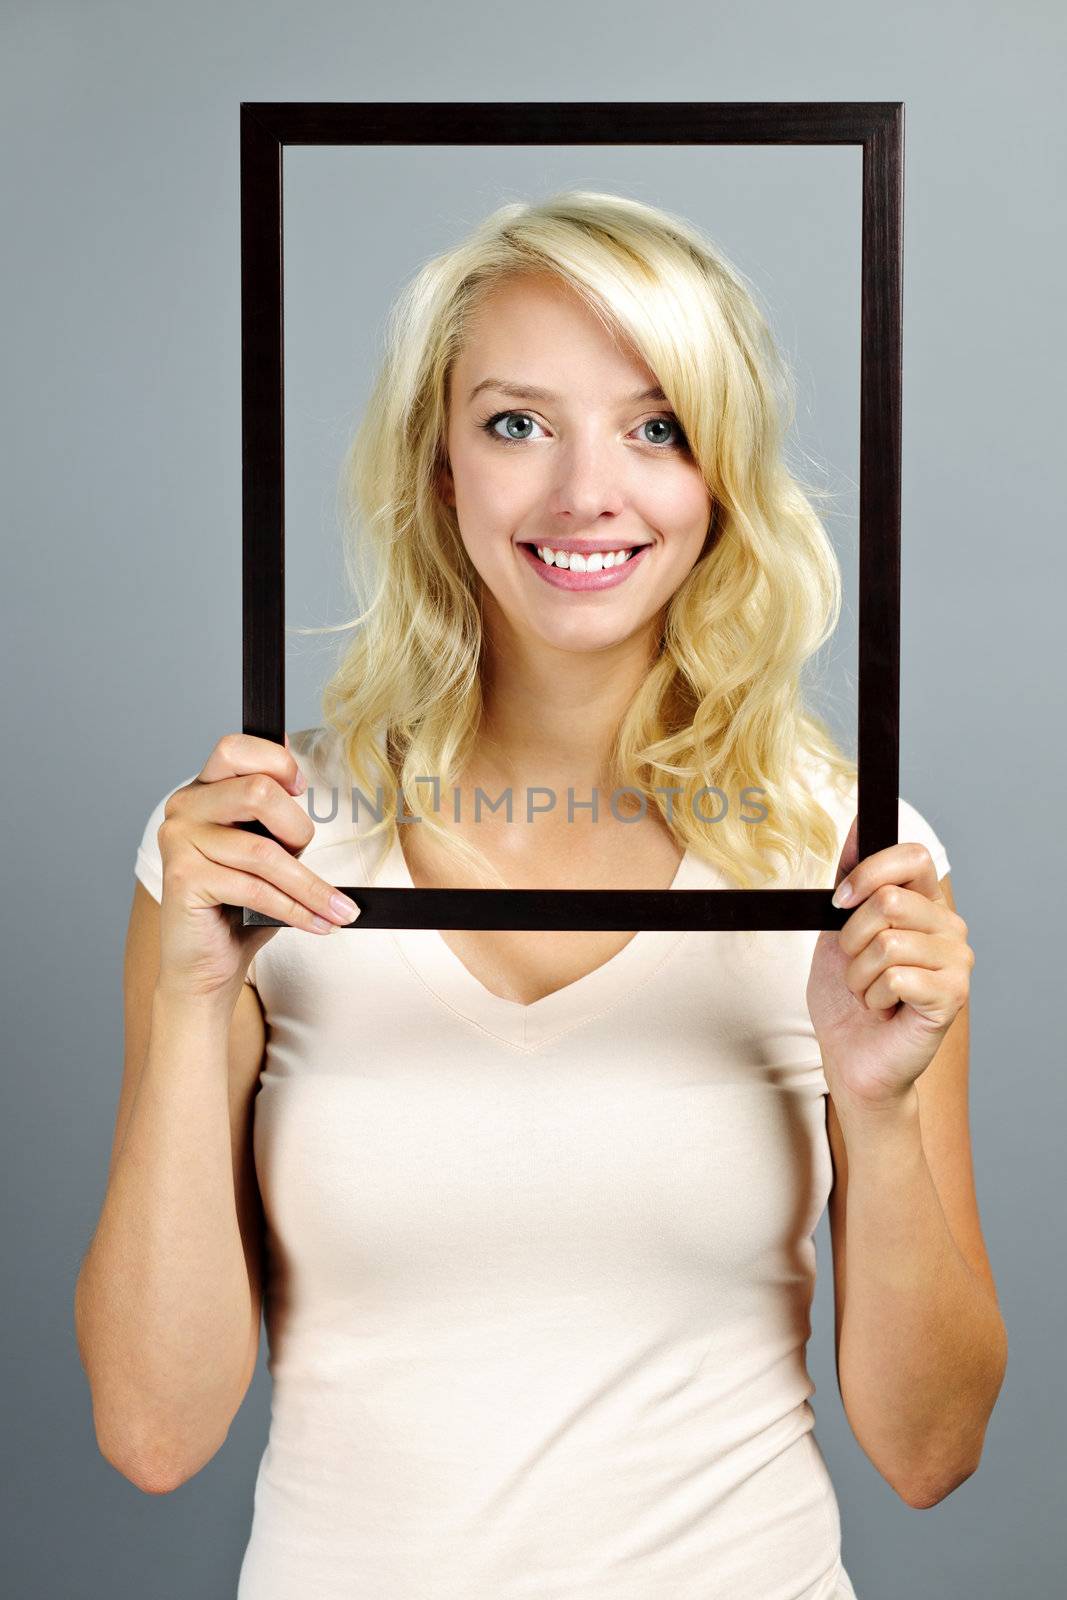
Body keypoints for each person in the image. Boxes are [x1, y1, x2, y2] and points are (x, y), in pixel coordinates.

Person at [75, 191, 1006, 1599]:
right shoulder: (252, 852)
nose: (587, 493)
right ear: (439, 468)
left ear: (722, 479)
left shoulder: (847, 863)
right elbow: (151, 1433)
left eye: (656, 427)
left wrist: (876, 1110)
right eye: (516, 424)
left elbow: (932, 1452)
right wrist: (193, 995)